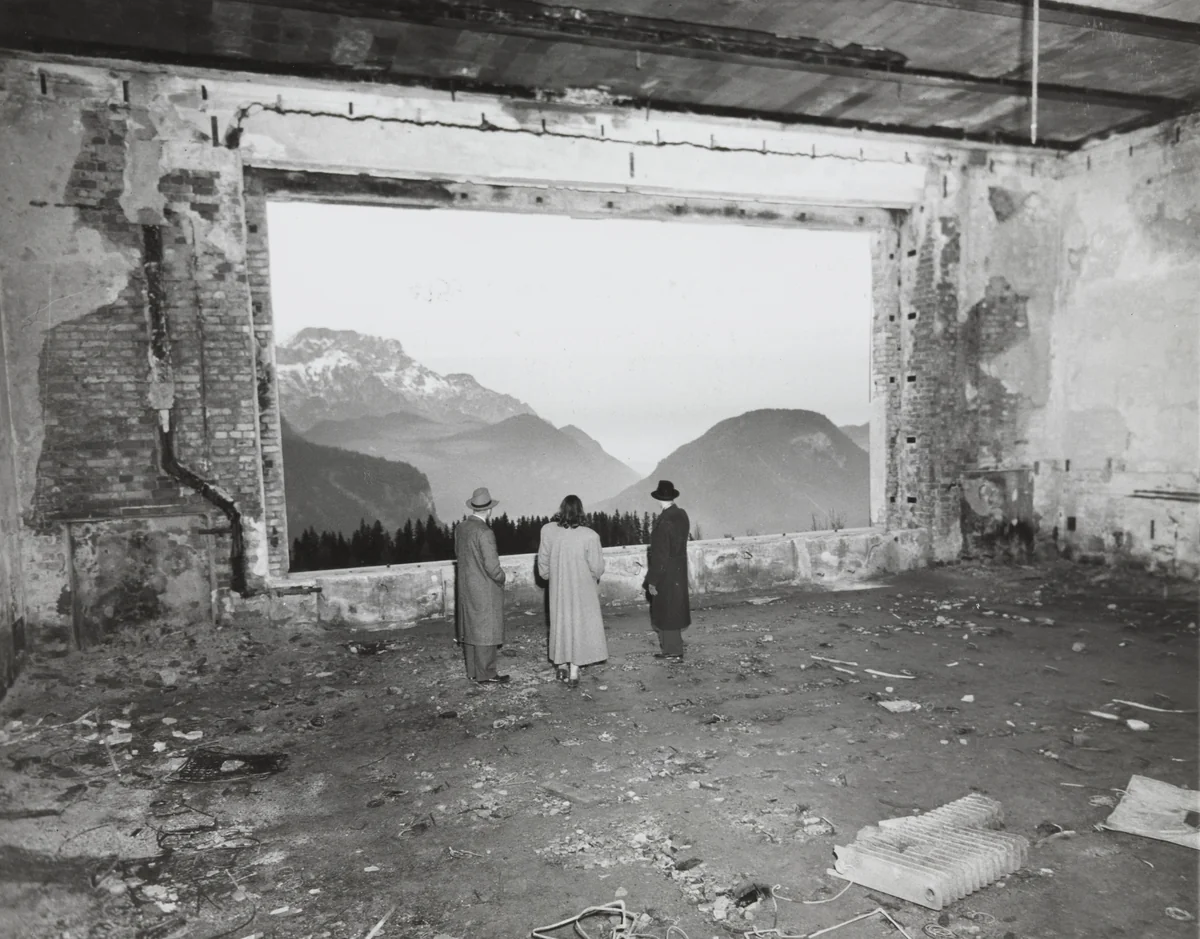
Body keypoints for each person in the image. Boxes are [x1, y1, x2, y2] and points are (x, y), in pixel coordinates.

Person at [536, 495, 607, 689]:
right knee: (579, 626)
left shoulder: (548, 530)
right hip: (582, 588)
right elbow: (597, 567)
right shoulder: (590, 535)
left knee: (560, 623)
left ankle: (561, 666)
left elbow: (543, 564)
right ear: (581, 511)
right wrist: (591, 577)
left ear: (561, 510)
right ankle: (574, 671)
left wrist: (551, 576)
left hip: (558, 587)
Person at [454, 487, 510, 684]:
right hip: (485, 588)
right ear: (489, 509)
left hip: (466, 587)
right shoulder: (485, 532)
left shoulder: (461, 528)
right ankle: (487, 674)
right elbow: (492, 567)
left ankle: (473, 671)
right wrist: (502, 578)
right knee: (487, 629)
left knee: (471, 628)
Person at [642, 480, 691, 660]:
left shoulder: (664, 521)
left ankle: (673, 652)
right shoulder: (681, 514)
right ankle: (672, 648)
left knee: (667, 612)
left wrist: (652, 580)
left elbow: (660, 556)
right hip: (678, 570)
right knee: (674, 610)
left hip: (666, 573)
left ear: (658, 499)